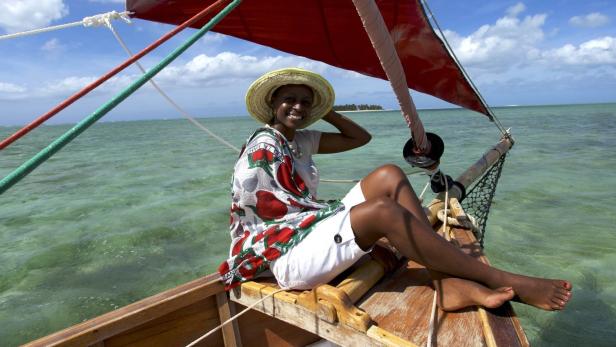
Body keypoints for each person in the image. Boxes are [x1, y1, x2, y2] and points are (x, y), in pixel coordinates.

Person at [218, 68, 572, 312]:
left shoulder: (299, 140)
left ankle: (446, 282)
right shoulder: (265, 145)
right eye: (289, 99)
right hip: (286, 255)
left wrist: (325, 111)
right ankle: (503, 280)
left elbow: (360, 138)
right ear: (272, 105)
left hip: (304, 227)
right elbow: (267, 215)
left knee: (389, 174)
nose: (297, 106)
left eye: (304, 101)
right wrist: (311, 109)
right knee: (383, 213)